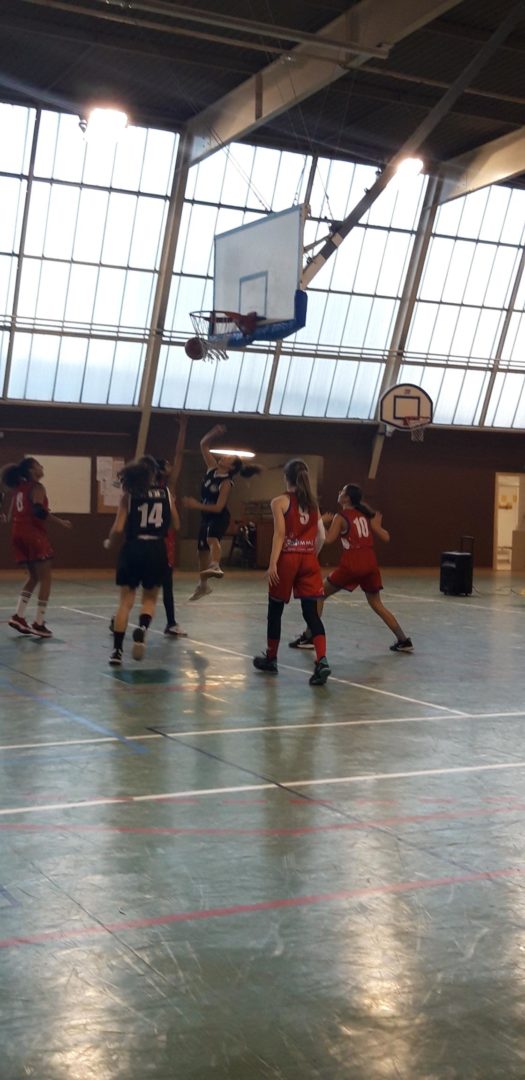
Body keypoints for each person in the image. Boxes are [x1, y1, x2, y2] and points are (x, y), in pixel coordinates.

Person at [289, 483, 413, 652]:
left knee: (319, 595)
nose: (339, 492)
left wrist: (320, 523)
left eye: (342, 491)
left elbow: (328, 539)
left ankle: (310, 636)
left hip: (353, 563)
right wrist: (377, 527)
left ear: (346, 498)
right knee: (377, 603)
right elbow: (386, 537)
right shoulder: (365, 515)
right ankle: (403, 640)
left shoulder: (341, 517)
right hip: (370, 562)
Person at [253, 458, 331, 687]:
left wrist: (272, 563)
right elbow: (322, 536)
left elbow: (280, 534)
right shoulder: (313, 505)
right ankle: (322, 661)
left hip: (288, 559)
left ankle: (271, 658)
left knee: (275, 611)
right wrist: (311, 555)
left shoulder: (280, 501)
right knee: (311, 614)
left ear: (285, 478)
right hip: (309, 559)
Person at [104, 455, 180, 666]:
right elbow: (176, 524)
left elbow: (118, 528)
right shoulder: (166, 493)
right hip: (156, 548)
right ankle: (142, 628)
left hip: (133, 547)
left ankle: (117, 651)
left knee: (125, 602)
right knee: (149, 599)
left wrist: (110, 542)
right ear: (154, 473)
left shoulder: (128, 496)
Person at [182, 423, 261, 602]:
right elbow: (203, 444)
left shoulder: (226, 483)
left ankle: (216, 565)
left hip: (219, 516)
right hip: (206, 516)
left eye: (228, 458)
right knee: (201, 552)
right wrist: (213, 433)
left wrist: (196, 505)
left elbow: (218, 507)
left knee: (212, 539)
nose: (224, 456)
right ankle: (203, 586)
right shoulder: (211, 469)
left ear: (230, 467)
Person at [1, 456, 72, 637]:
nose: (42, 467)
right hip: (32, 533)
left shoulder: (19, 488)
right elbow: (38, 511)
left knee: (33, 577)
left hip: (17, 534)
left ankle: (18, 616)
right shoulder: (37, 487)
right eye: (39, 465)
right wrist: (61, 521)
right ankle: (39, 623)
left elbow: (15, 513)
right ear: (32, 470)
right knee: (46, 578)